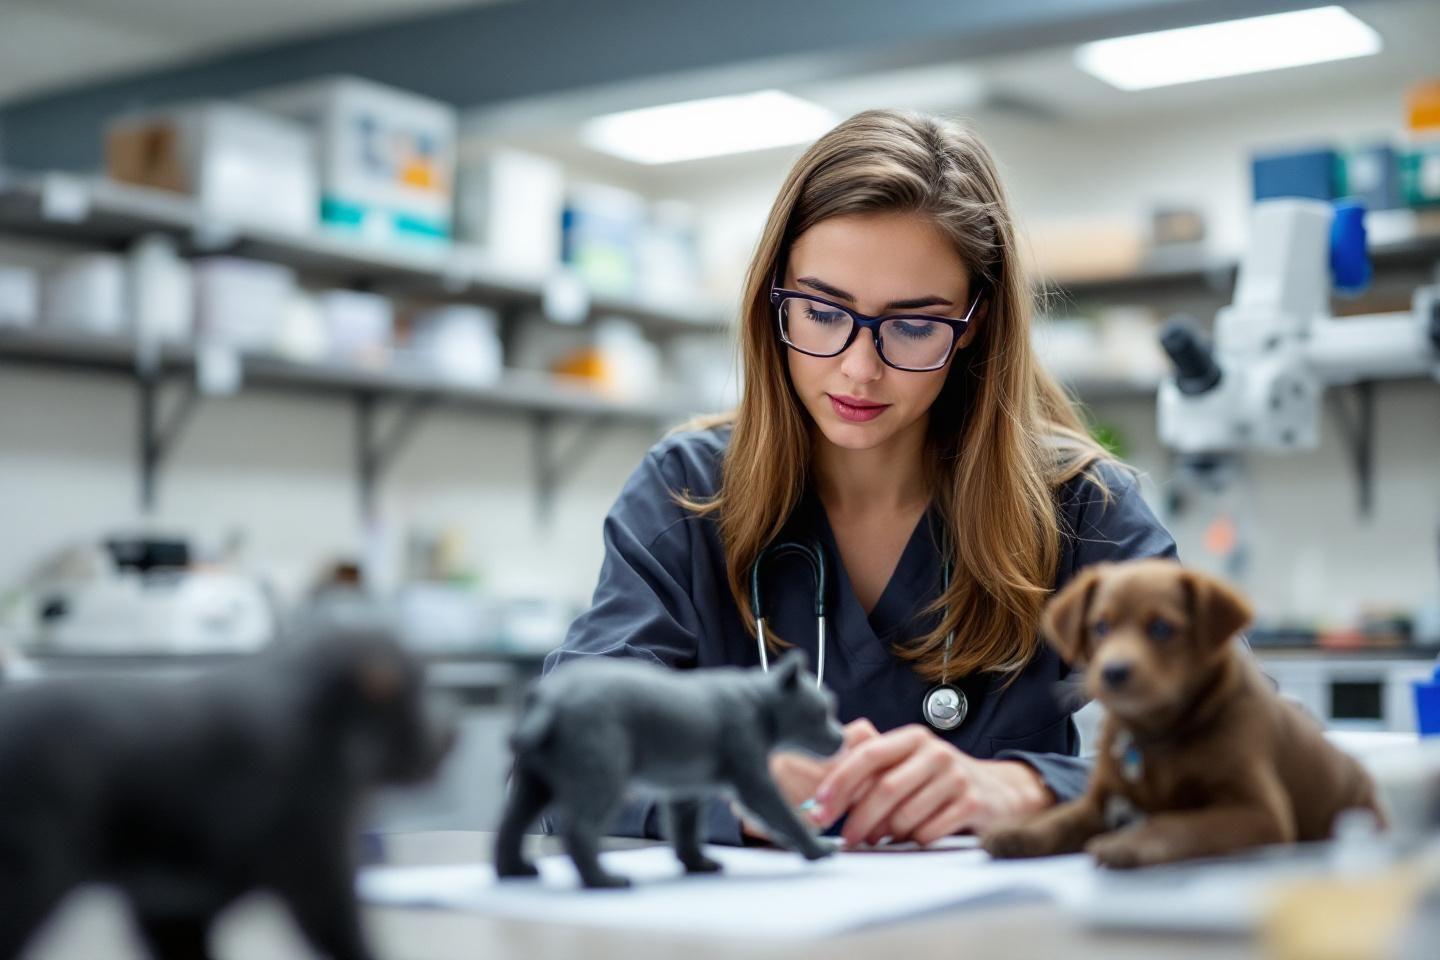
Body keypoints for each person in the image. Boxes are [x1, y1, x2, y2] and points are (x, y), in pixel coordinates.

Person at [542, 108, 1176, 849]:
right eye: (820, 311)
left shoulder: (1081, 508)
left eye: (912, 326)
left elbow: (1245, 735)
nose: (858, 369)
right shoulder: (685, 493)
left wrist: (1030, 786)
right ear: (772, 293)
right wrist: (730, 796)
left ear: (974, 322)